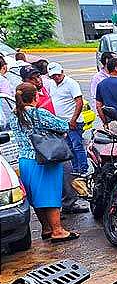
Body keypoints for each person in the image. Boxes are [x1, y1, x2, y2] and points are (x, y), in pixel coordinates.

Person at [9, 82, 80, 243]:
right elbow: (63, 126)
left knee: (35, 197)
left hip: (25, 161)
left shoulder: (14, 115)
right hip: (44, 159)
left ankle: (46, 228)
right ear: (35, 97)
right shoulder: (39, 113)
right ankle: (57, 230)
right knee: (50, 195)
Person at [47, 62, 87, 174]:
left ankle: (83, 169)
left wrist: (73, 120)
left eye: (58, 75)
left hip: (73, 121)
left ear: (62, 72)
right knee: (69, 146)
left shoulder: (71, 83)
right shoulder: (52, 84)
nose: (56, 77)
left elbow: (79, 102)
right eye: (53, 76)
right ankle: (76, 169)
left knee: (77, 145)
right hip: (62, 123)